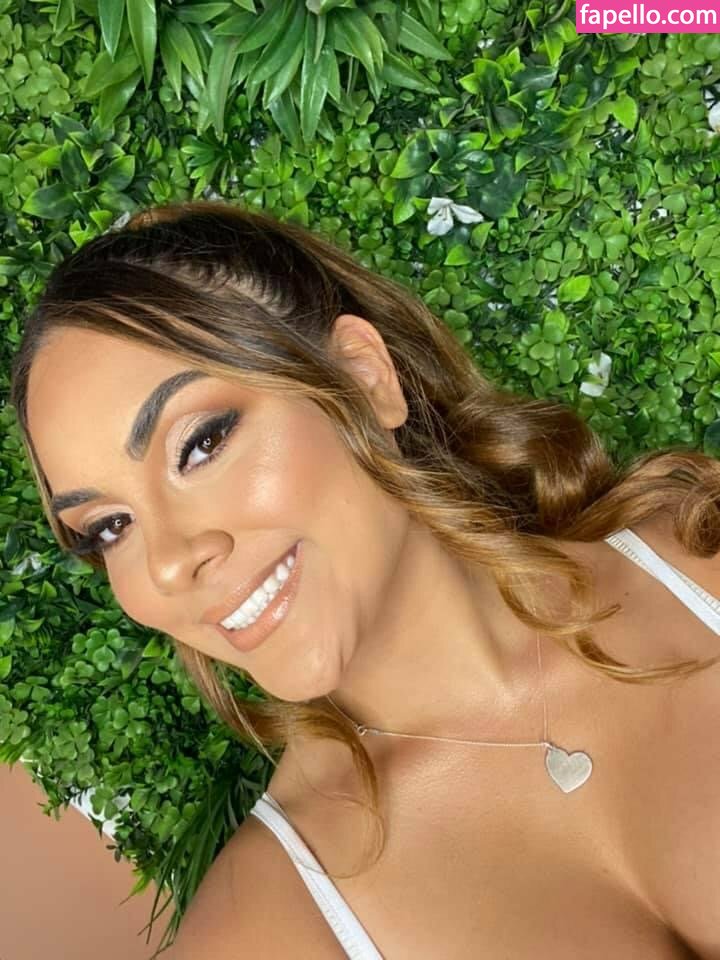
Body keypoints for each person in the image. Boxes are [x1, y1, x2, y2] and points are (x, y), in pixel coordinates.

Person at [9, 200, 720, 958]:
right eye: (109, 527)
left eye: (200, 444)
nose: (169, 563)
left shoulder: (699, 554)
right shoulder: (263, 933)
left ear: (364, 375)